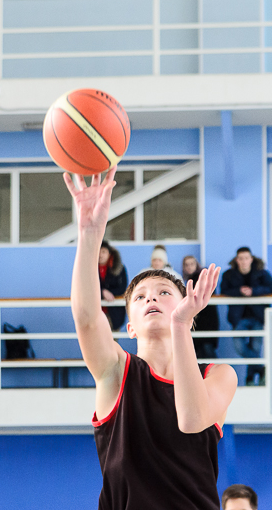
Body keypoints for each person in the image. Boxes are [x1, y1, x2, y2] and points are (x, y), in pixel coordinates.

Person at [63, 168, 237, 510]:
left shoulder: (218, 375)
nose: (151, 298)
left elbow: (191, 419)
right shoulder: (116, 371)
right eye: (140, 297)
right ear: (129, 327)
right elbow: (86, 318)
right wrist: (89, 234)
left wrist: (179, 325)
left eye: (164, 292)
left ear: (190, 312)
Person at [220, 247, 272, 386]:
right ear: (237, 260)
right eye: (241, 258)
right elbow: (224, 290)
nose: (244, 261)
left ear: (251, 259)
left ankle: (250, 379)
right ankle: (261, 368)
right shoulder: (229, 275)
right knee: (239, 346)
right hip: (238, 318)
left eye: (246, 258)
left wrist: (253, 291)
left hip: (258, 317)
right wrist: (239, 291)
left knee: (255, 348)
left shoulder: (261, 273)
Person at [182, 255, 221, 360]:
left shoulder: (200, 278)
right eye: (186, 265)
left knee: (207, 351)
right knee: (202, 352)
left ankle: (216, 371)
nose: (189, 267)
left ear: (196, 265)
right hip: (200, 321)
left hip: (206, 321)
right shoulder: (191, 280)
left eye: (192, 264)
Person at [98, 240, 128, 331]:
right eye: (98, 251)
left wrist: (110, 293)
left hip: (114, 313)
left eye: (103, 252)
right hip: (96, 313)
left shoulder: (119, 268)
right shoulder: (90, 269)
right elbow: (86, 288)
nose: (100, 255)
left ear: (109, 253)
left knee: (112, 338)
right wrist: (102, 292)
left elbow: (123, 288)